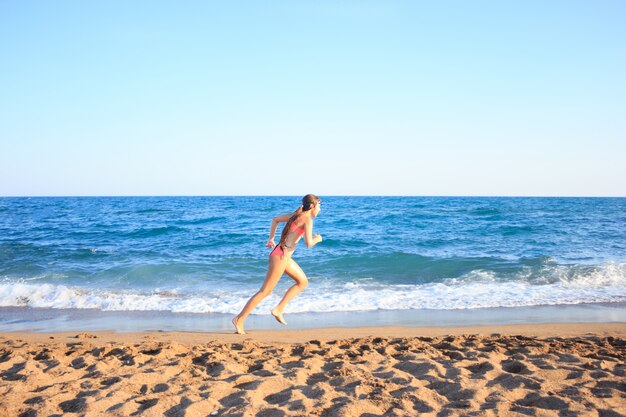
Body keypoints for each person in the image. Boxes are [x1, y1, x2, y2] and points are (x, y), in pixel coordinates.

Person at [232, 194, 323, 334]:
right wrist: (317, 239)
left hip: (281, 255)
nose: (320, 209)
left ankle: (278, 309)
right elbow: (308, 243)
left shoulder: (295, 215)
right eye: (319, 206)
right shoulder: (307, 220)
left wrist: (271, 239)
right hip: (280, 256)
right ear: (312, 206)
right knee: (265, 291)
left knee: (302, 282)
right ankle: (239, 319)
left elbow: (275, 220)